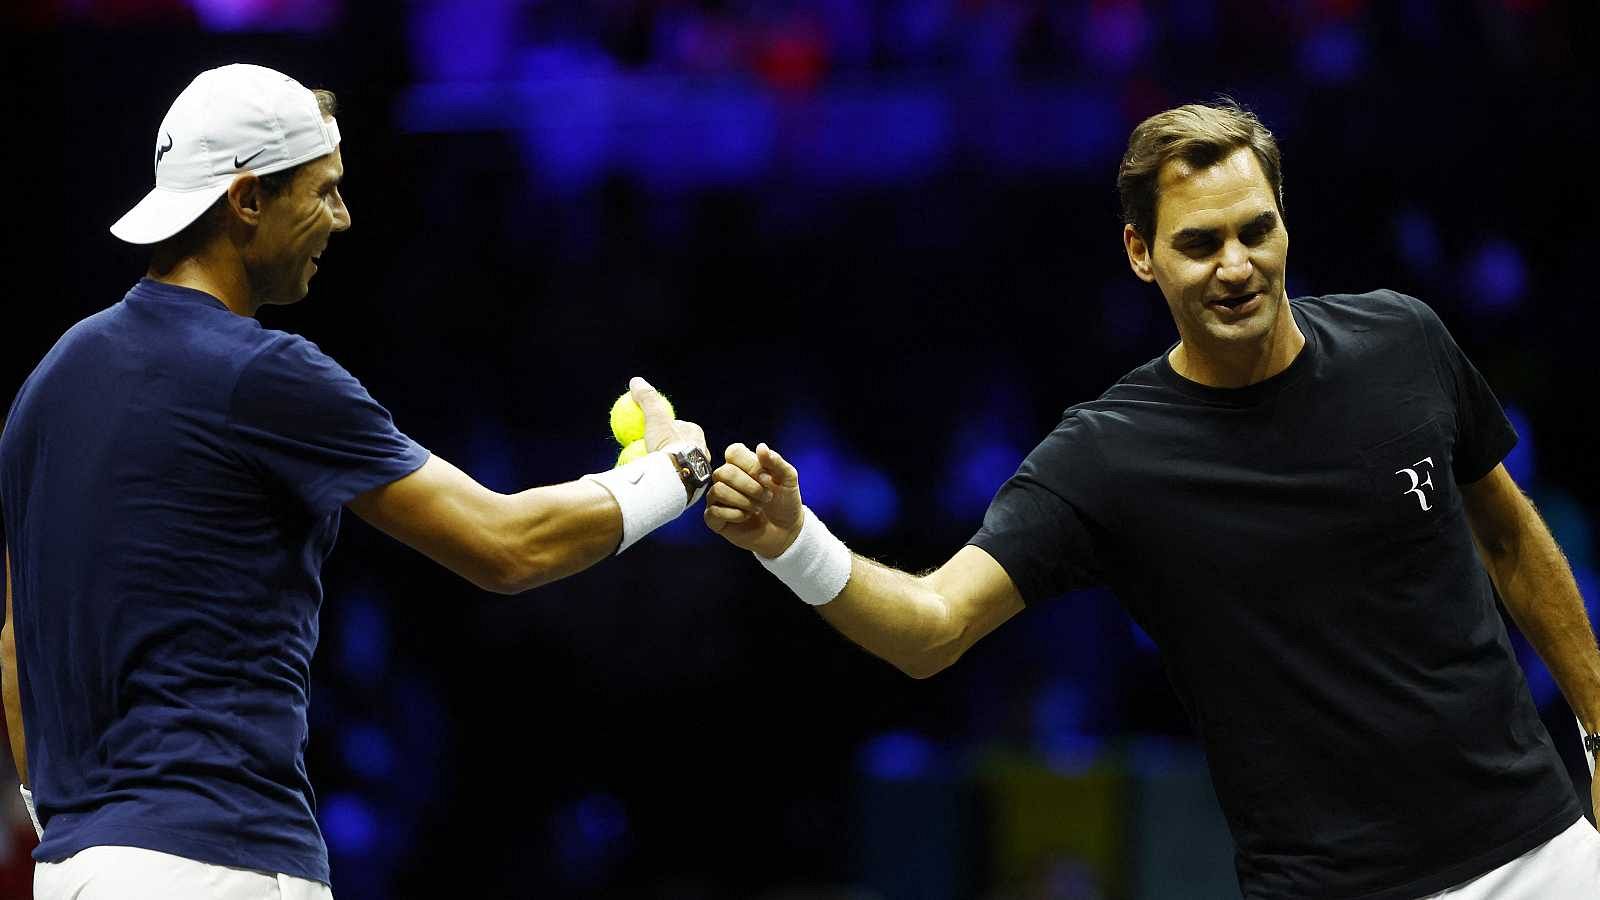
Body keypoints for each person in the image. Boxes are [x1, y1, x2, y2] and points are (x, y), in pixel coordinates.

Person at [704, 99, 1600, 899]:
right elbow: (934, 625)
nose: (1238, 265)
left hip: (1546, 851)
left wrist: (1599, 727)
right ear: (1142, 254)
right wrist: (793, 543)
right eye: (1201, 244)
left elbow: (1513, 540)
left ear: (1286, 222)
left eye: (1256, 230)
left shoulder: (1405, 340)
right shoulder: (1107, 454)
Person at [0, 63, 714, 899]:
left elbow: (17, 650)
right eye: (325, 191)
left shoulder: (46, 385)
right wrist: (673, 473)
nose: (342, 218)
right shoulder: (262, 374)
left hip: (74, 871)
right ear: (247, 200)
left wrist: (78, 840)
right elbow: (506, 545)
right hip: (220, 865)